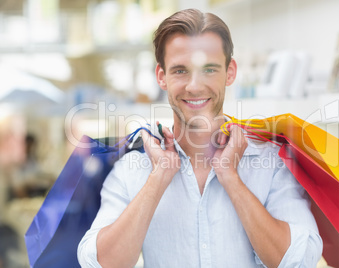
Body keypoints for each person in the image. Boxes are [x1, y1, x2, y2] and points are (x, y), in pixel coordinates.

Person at [78, 8, 322, 268]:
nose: (194, 86)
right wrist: (158, 178)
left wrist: (231, 178)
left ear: (230, 72)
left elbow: (301, 260)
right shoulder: (131, 170)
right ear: (162, 77)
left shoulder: (272, 164)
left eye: (208, 69)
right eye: (181, 71)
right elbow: (99, 264)